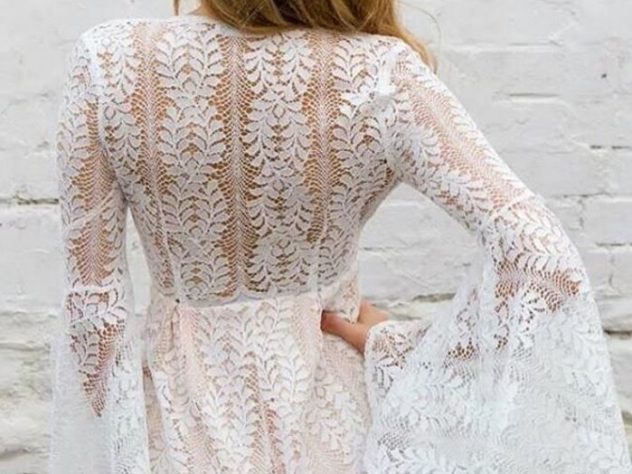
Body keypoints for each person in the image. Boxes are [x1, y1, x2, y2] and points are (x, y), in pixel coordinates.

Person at [48, 1, 632, 473]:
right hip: (333, 417)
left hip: (172, 421)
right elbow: (542, 261)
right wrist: (418, 353)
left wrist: (115, 441)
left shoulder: (108, 61)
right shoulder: (381, 72)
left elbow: (93, 309)